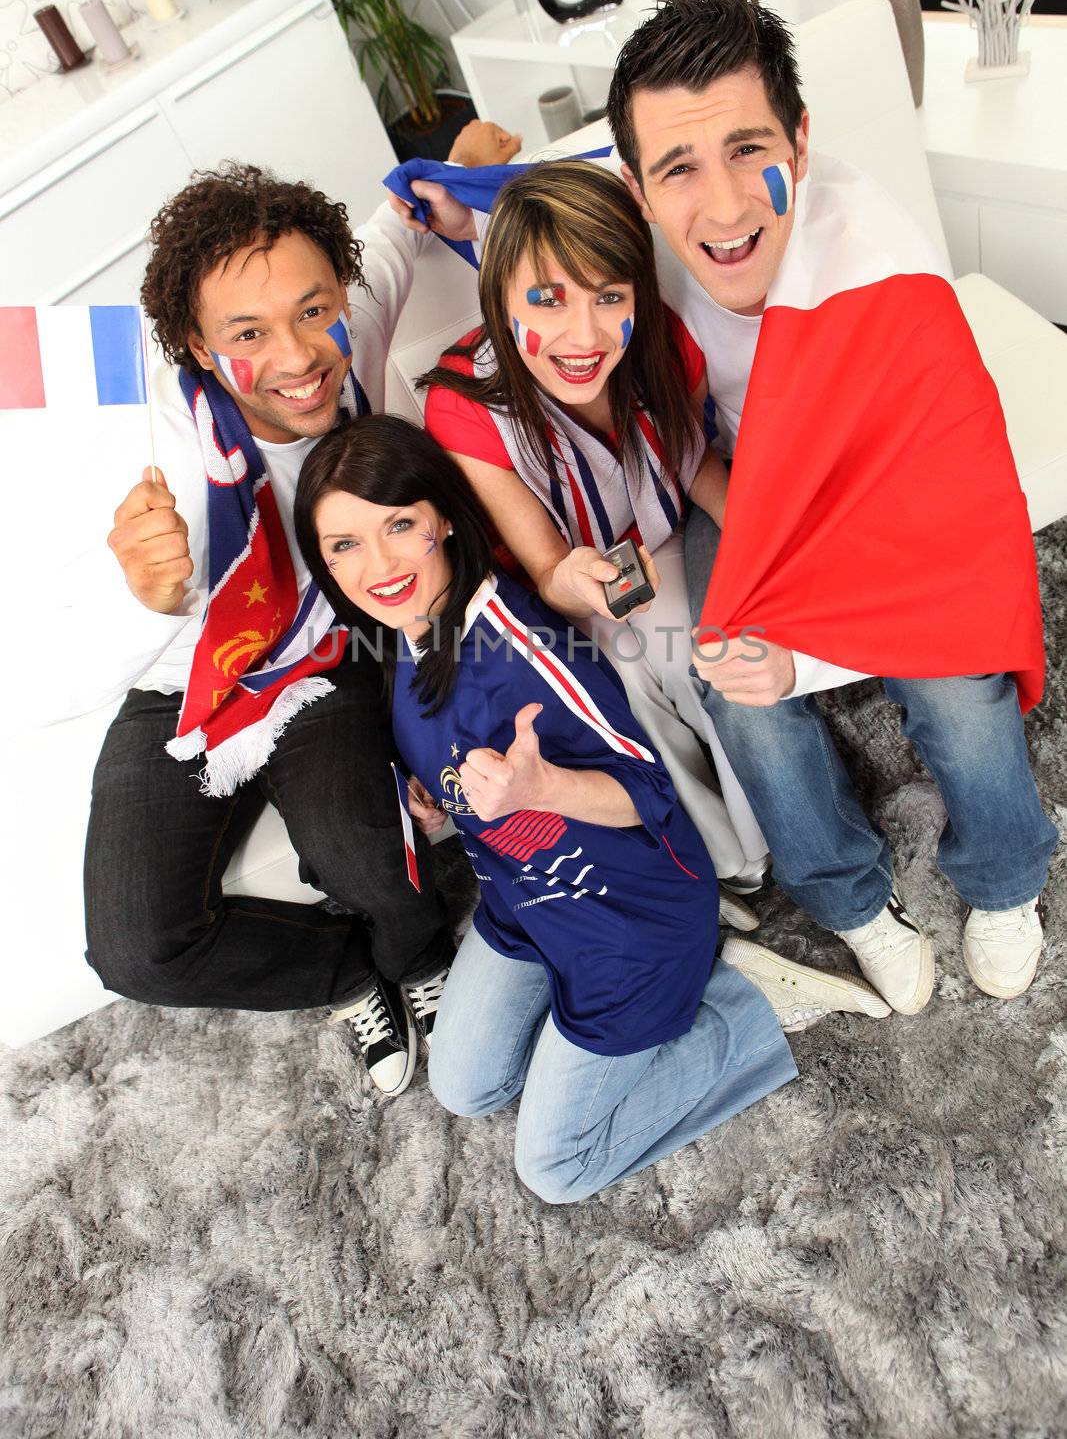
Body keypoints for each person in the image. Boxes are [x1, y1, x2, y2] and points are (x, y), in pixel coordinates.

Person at [293, 414, 890, 1204]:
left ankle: (744, 1004)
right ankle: (658, 1006)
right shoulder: (399, 636)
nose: (378, 565)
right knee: (466, 1090)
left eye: (398, 525)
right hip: (522, 909)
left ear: (440, 517)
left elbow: (648, 793)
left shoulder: (525, 647)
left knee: (556, 1170)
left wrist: (543, 790)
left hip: (628, 923)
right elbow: (455, 767)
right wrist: (435, 805)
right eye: (345, 545)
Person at [603, 0, 1056, 1009]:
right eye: (676, 168)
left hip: (881, 480)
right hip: (745, 478)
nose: (719, 207)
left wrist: (808, 651)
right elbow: (517, 244)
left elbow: (943, 522)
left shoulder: (878, 266)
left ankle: (1005, 875)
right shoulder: (624, 257)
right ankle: (848, 899)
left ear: (799, 145)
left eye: (746, 149)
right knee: (733, 679)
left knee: (949, 669)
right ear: (634, 185)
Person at [81, 125, 517, 1098]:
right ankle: (347, 973)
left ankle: (416, 959)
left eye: (311, 310)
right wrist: (148, 598)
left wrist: (460, 155)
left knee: (366, 857)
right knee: (134, 948)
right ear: (196, 345)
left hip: (321, 657)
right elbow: (68, 636)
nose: (295, 354)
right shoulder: (155, 444)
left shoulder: (340, 335)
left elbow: (397, 221)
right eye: (246, 334)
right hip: (183, 672)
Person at [418, 158, 769, 924]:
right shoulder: (463, 407)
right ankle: (714, 861)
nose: (583, 335)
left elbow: (694, 460)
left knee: (703, 657)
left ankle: (763, 839)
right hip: (566, 582)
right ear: (499, 296)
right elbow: (544, 564)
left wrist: (763, 531)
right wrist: (577, 584)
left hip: (661, 534)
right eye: (547, 300)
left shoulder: (663, 341)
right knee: (629, 677)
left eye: (609, 297)